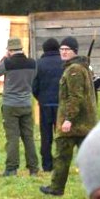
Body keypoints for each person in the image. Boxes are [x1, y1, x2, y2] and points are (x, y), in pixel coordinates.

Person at [40, 38, 97, 197]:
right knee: (87, 159)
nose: (64, 52)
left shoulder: (74, 70)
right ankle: (98, 188)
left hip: (74, 124)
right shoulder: (82, 68)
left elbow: (75, 97)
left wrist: (68, 119)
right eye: (62, 49)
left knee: (62, 157)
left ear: (75, 51)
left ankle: (56, 188)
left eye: (67, 49)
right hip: (85, 123)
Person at [0, 38, 39, 176]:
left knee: (12, 138)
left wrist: (3, 58)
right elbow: (34, 77)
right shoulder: (32, 63)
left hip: (10, 105)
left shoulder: (7, 63)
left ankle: (12, 168)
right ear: (21, 48)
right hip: (26, 103)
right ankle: (33, 168)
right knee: (28, 137)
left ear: (10, 50)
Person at [33, 36, 65, 172]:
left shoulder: (38, 64)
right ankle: (61, 163)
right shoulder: (65, 63)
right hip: (61, 104)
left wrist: (40, 98)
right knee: (61, 136)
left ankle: (47, 165)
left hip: (45, 104)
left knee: (46, 136)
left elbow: (34, 86)